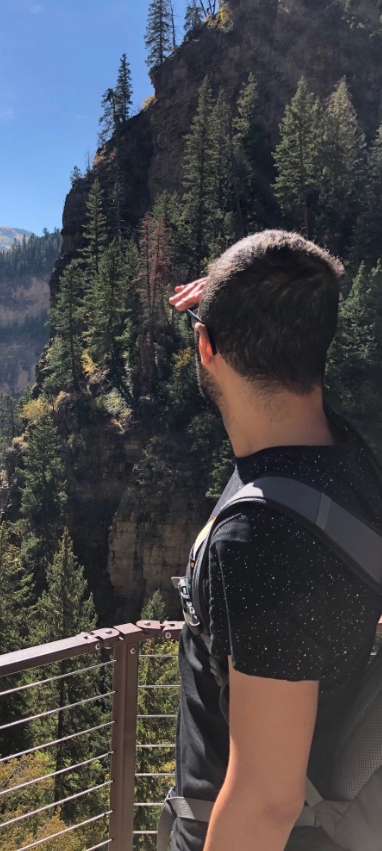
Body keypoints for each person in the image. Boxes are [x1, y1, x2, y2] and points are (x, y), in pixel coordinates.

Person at [167, 230, 382, 851]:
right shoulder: (347, 459)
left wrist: (231, 310)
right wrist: (241, 301)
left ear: (206, 347)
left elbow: (267, 801)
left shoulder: (257, 541)